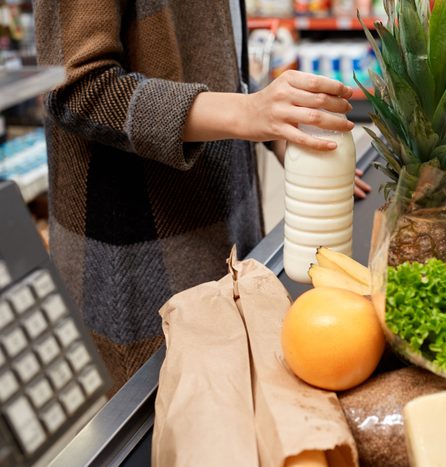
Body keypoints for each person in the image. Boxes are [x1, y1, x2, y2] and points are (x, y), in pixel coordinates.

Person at [33, 0, 370, 391]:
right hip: (144, 250)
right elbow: (77, 86)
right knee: (168, 420)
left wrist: (276, 125)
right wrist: (246, 112)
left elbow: (213, 53)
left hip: (229, 228)